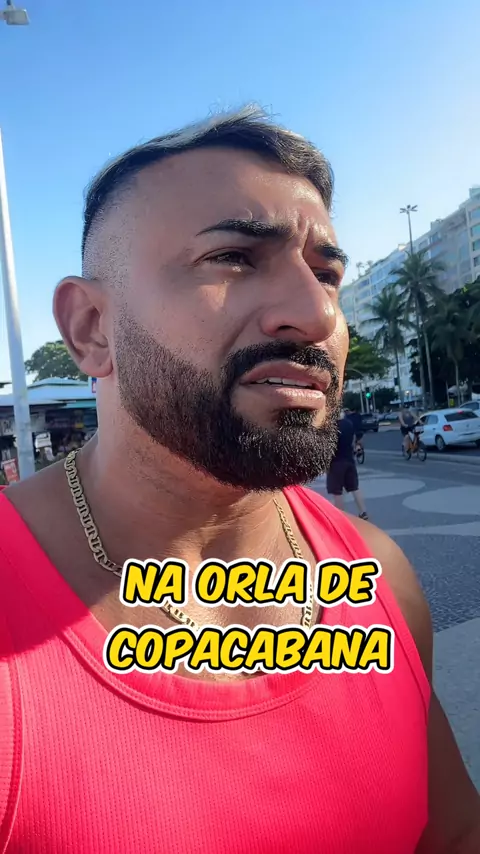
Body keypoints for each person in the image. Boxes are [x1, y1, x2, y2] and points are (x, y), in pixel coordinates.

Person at [0, 107, 478, 853]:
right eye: (232, 257)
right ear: (92, 328)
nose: (317, 314)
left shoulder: (381, 578)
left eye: (327, 274)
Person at [327, 411, 368, 519]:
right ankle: (363, 512)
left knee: (337, 491)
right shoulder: (349, 424)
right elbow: (354, 439)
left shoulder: (332, 427)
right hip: (349, 460)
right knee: (354, 487)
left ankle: (340, 516)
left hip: (336, 462)